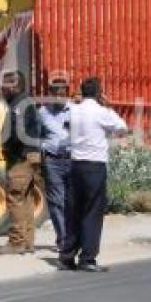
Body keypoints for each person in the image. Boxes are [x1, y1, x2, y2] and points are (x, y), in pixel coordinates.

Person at [59, 77, 128, 273]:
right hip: (94, 165)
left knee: (73, 211)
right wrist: (108, 106)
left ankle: (67, 256)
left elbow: (65, 126)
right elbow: (122, 127)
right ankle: (87, 258)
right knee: (92, 212)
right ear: (99, 93)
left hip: (75, 164)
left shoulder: (73, 109)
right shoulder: (101, 112)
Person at [0, 70, 43, 255]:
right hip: (30, 155)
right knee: (27, 199)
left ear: (15, 86)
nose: (2, 88)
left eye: (6, 84)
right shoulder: (24, 102)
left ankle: (16, 242)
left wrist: (9, 147)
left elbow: (17, 131)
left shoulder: (19, 104)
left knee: (15, 198)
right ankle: (28, 242)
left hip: (20, 157)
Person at [39, 77, 72, 252]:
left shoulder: (75, 111)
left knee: (71, 200)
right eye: (55, 93)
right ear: (50, 94)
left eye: (62, 93)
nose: (58, 97)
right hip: (52, 160)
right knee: (55, 201)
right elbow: (36, 135)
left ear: (67, 93)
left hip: (73, 159)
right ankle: (63, 238)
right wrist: (41, 150)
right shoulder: (43, 112)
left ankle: (73, 236)